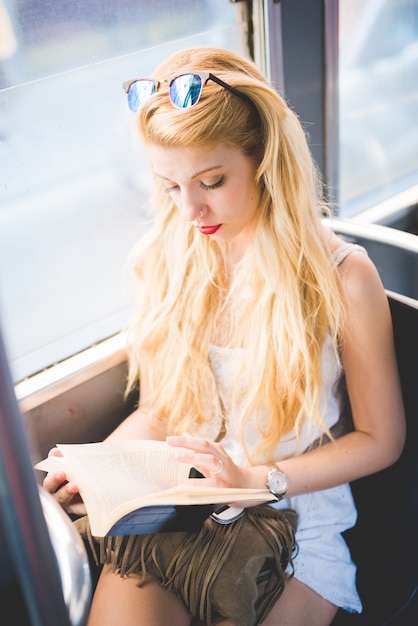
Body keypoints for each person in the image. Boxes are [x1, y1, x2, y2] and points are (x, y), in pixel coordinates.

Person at [43, 46, 406, 626]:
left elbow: (381, 438)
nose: (191, 209)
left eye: (212, 181)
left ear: (263, 159)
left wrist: (253, 480)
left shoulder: (342, 277)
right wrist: (91, 463)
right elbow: (166, 409)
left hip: (292, 524)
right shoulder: (171, 257)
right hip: (183, 513)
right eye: (169, 187)